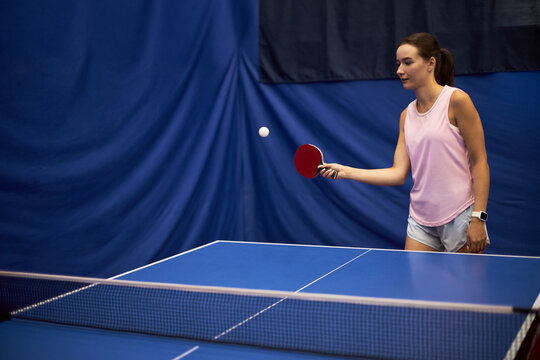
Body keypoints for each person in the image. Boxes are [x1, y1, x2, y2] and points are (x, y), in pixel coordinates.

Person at [319, 32, 490, 253]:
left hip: (460, 217)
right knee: (417, 287)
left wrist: (479, 218)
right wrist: (345, 172)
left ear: (430, 63)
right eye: (398, 63)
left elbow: (480, 162)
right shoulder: (406, 115)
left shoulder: (457, 100)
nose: (399, 70)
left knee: (465, 288)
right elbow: (398, 174)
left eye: (407, 62)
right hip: (420, 221)